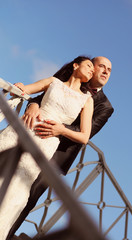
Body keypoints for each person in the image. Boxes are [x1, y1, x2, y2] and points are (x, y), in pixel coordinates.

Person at [7, 56, 114, 239]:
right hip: (32, 135)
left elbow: (87, 132)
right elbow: (43, 97)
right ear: (91, 67)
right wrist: (32, 105)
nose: (105, 71)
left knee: (27, 197)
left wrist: (58, 128)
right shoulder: (65, 80)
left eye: (109, 70)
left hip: (57, 154)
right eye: (101, 66)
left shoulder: (105, 106)